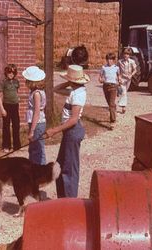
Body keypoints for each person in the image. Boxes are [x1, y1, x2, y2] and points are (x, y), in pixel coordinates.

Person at [46, 64, 89, 198]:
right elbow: (55, 89)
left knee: (69, 169)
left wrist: (54, 130)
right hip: (69, 131)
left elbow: (73, 119)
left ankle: (70, 201)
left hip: (72, 130)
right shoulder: (75, 91)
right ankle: (63, 198)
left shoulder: (78, 94)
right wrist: (69, 81)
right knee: (60, 165)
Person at [22, 66, 47, 165]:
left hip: (37, 123)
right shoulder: (36, 92)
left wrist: (32, 130)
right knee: (33, 147)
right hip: (35, 123)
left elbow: (37, 112)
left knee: (38, 148)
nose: (26, 82)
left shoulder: (36, 94)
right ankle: (33, 168)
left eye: (27, 80)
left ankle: (40, 170)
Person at [0, 64, 21, 153]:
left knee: (16, 125)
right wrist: (2, 109)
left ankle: (16, 146)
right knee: (6, 126)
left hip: (15, 106)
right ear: (6, 73)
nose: (11, 74)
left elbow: (16, 92)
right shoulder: (3, 82)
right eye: (9, 72)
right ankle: (6, 146)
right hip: (6, 106)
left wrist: (17, 98)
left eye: (13, 72)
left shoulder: (16, 82)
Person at [99, 52, 120, 126]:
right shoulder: (103, 67)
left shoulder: (116, 68)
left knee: (111, 104)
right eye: (108, 59)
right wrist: (101, 80)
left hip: (113, 87)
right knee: (110, 104)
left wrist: (119, 81)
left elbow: (118, 76)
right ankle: (114, 110)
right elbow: (100, 77)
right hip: (105, 86)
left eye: (111, 59)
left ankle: (112, 121)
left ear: (114, 60)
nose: (109, 61)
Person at [117, 47, 137, 114]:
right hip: (122, 78)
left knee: (124, 92)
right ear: (123, 54)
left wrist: (131, 75)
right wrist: (119, 78)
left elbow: (135, 70)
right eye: (125, 54)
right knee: (124, 92)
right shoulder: (120, 62)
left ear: (129, 55)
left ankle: (118, 92)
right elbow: (118, 71)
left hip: (128, 79)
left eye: (127, 54)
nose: (126, 55)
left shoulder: (132, 62)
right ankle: (123, 107)